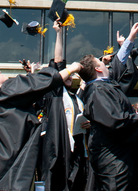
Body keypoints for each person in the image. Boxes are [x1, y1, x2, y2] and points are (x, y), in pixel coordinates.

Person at [0, 52, 81, 190]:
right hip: (16, 174)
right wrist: (71, 69)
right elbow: (36, 83)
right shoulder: (3, 92)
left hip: (3, 173)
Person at [79, 48, 138, 191]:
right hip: (115, 161)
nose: (105, 64)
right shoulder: (99, 90)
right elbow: (114, 120)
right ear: (98, 68)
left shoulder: (103, 87)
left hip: (120, 157)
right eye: (101, 62)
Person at [40, 21, 88, 191]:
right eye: (65, 74)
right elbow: (59, 62)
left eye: (70, 75)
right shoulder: (55, 93)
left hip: (76, 150)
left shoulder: (76, 98)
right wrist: (59, 34)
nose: (69, 76)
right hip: (58, 147)